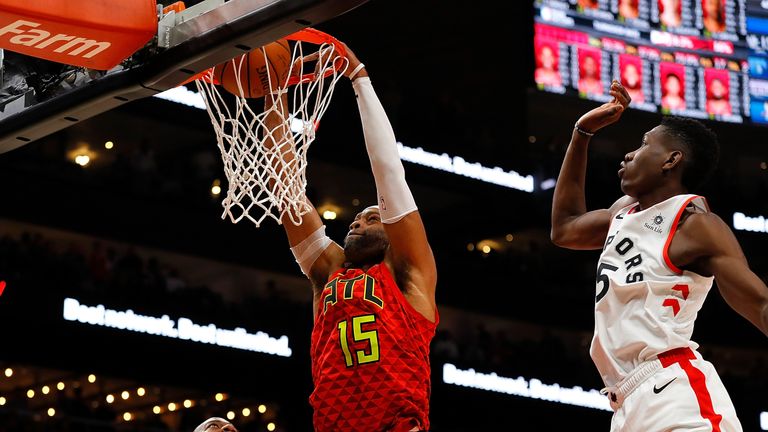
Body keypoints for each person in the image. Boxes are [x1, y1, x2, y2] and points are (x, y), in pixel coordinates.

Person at [551, 79, 768, 431]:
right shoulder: (622, 213)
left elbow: (759, 303)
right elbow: (564, 228)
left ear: (671, 160)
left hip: (677, 394)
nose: (629, 154)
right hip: (626, 403)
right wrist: (581, 134)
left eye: (644, 144)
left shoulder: (695, 225)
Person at [264, 42, 438, 432]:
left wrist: (359, 78)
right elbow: (287, 190)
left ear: (393, 233)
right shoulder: (329, 271)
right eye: (355, 220)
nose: (357, 223)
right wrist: (273, 96)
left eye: (372, 217)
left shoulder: (408, 273)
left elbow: (388, 172)